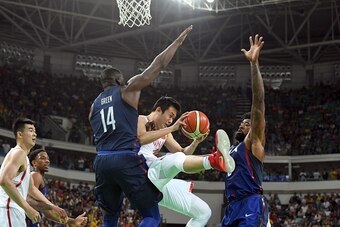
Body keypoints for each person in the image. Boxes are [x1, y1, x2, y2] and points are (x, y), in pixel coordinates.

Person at [88, 25, 193, 227]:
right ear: (119, 80)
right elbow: (158, 65)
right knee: (151, 215)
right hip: (124, 158)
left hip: (101, 161)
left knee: (110, 216)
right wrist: (177, 42)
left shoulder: (93, 107)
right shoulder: (127, 90)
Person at [137, 96, 235, 227]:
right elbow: (141, 139)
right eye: (170, 116)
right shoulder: (141, 119)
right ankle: (213, 160)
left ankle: (214, 159)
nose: (171, 121)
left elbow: (183, 153)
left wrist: (196, 142)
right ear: (159, 110)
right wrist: (172, 128)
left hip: (155, 178)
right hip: (141, 172)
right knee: (176, 158)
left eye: (173, 118)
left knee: (203, 212)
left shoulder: (165, 133)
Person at [220, 34, 270, 226]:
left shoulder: (253, 142)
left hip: (251, 203)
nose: (243, 123)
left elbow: (258, 102)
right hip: (231, 206)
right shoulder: (232, 151)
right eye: (242, 122)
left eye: (248, 122)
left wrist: (254, 64)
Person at [0, 118, 67, 226]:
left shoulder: (24, 158)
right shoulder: (19, 153)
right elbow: (4, 181)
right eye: (30, 130)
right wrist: (28, 208)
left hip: (14, 210)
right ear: (20, 134)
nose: (34, 134)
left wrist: (53, 207)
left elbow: (31, 189)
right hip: (9, 209)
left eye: (35, 131)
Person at [26, 148, 88, 226]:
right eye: (42, 158)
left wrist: (72, 221)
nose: (47, 161)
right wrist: (52, 207)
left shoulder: (41, 178)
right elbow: (28, 201)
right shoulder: (35, 175)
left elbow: (47, 213)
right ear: (34, 163)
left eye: (48, 159)